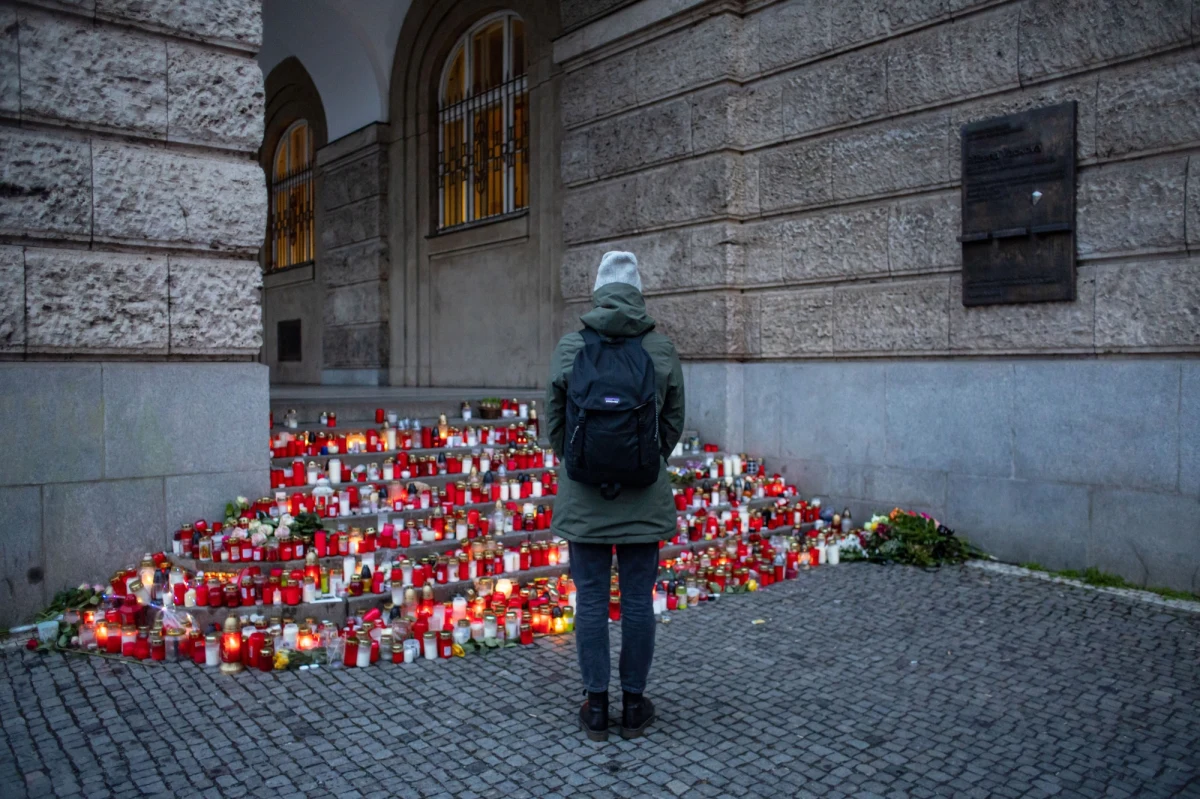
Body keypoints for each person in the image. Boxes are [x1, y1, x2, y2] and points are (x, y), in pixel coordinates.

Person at [545, 251, 686, 741]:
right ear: (639, 294)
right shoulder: (661, 350)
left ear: (598, 292)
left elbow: (554, 428)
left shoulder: (570, 348)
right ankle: (634, 704)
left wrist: (585, 463)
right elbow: (672, 426)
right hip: (643, 499)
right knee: (637, 602)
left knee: (588, 601)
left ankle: (596, 707)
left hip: (584, 501)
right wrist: (641, 459)